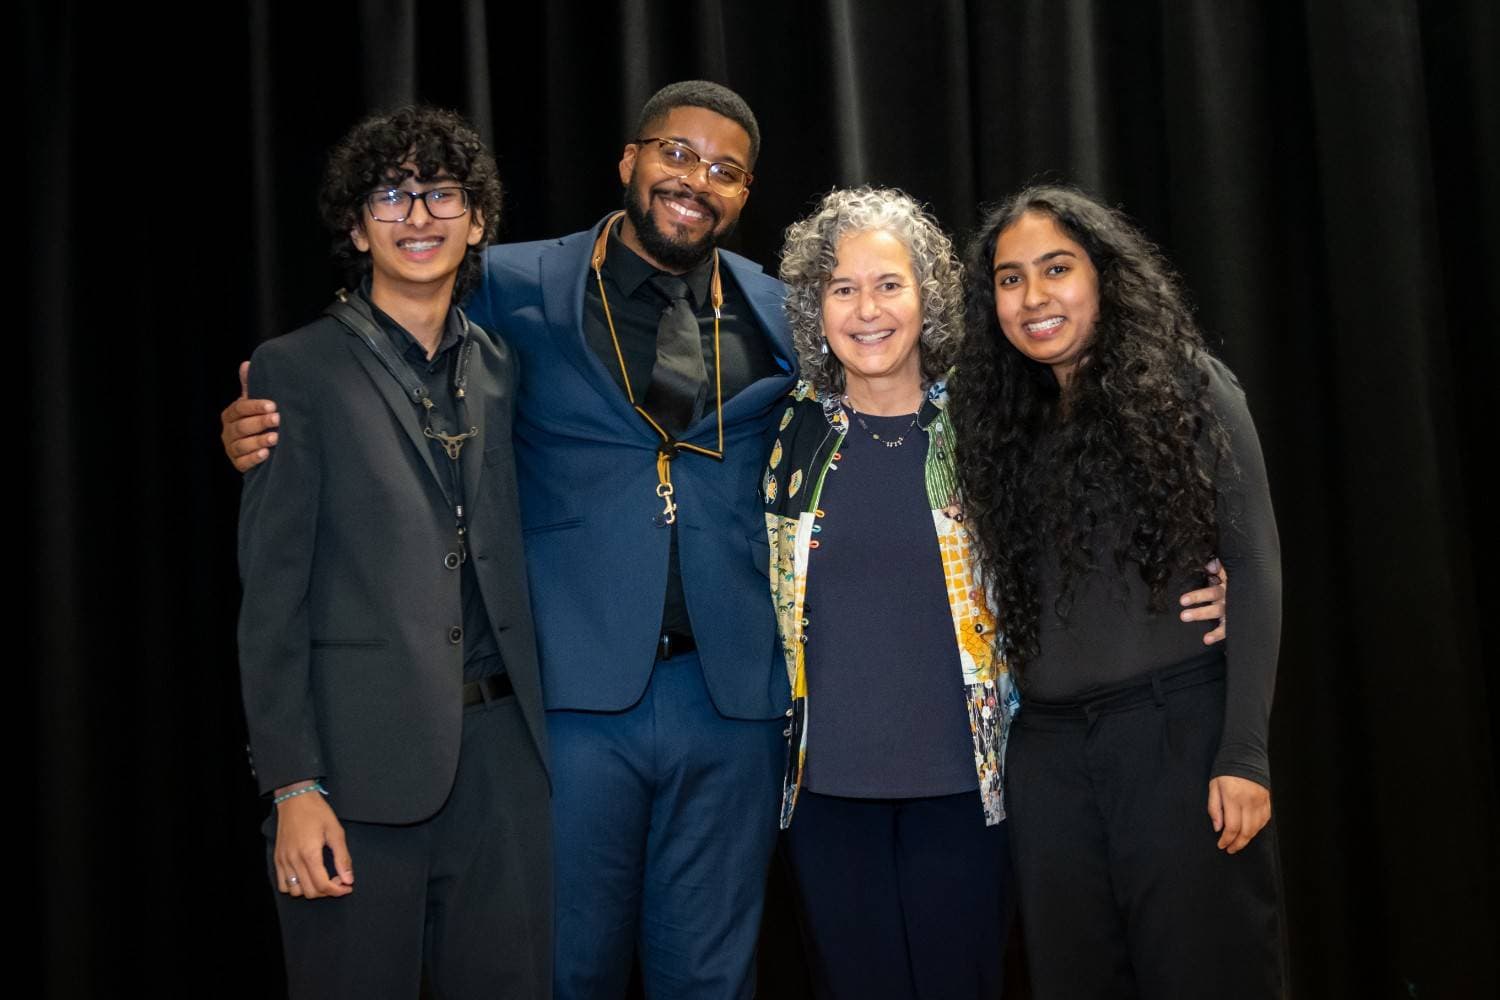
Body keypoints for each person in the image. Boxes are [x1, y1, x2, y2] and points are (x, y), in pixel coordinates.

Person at [225, 81, 797, 999]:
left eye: (723, 169)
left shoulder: (783, 309)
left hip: (728, 699)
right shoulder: (516, 286)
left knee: (712, 977)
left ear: (746, 190)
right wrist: (256, 426)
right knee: (559, 970)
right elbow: (382, 359)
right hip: (570, 702)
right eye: (676, 154)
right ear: (629, 160)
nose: (695, 179)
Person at [763, 188, 1229, 999]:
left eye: (889, 285)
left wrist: (1205, 577)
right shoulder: (777, 434)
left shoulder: (992, 425)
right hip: (825, 795)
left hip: (970, 792)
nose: (867, 310)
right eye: (842, 289)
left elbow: (1086, 546)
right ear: (814, 306)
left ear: (928, 298)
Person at [236, 106, 551, 998]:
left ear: (478, 220)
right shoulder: (293, 372)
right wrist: (293, 787)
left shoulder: (498, 365)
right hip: (354, 779)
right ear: (355, 224)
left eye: (441, 194)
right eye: (392, 195)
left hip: (502, 767)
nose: (418, 217)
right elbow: (270, 601)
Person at [950, 185, 1285, 998]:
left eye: (1056, 269)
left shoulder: (1191, 386)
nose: (1033, 297)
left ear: (1102, 275)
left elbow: (1257, 567)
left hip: (1177, 742)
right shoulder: (997, 425)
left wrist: (1244, 755)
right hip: (1051, 763)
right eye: (1009, 278)